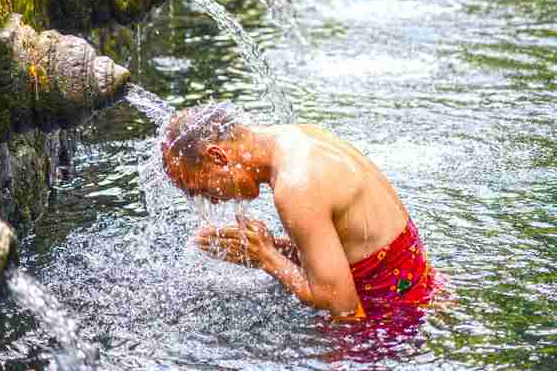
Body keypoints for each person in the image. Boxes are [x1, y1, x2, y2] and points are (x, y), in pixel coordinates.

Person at [161, 103, 437, 320]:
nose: (212, 200)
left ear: (217, 157)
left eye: (197, 187)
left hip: (394, 319)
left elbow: (343, 308)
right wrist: (271, 247)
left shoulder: (296, 187)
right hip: (425, 291)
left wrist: (266, 257)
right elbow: (349, 248)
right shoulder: (297, 136)